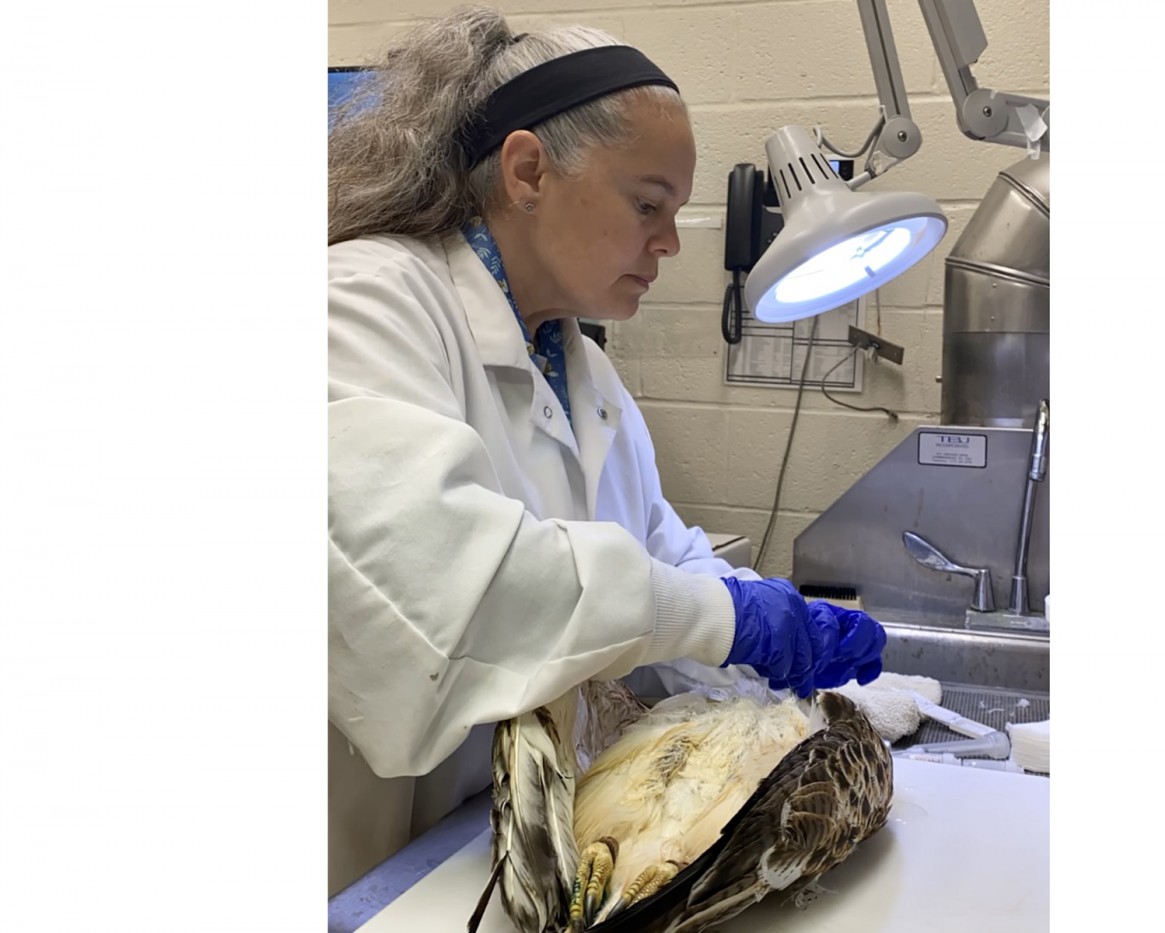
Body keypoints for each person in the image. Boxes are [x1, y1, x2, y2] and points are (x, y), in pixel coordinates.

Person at [327, 5, 887, 892]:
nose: (668, 243)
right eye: (647, 205)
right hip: (377, 864)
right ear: (526, 172)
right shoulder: (361, 306)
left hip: (507, 848)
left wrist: (759, 611)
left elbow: (656, 549)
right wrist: (725, 618)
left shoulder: (581, 369)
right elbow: (450, 593)